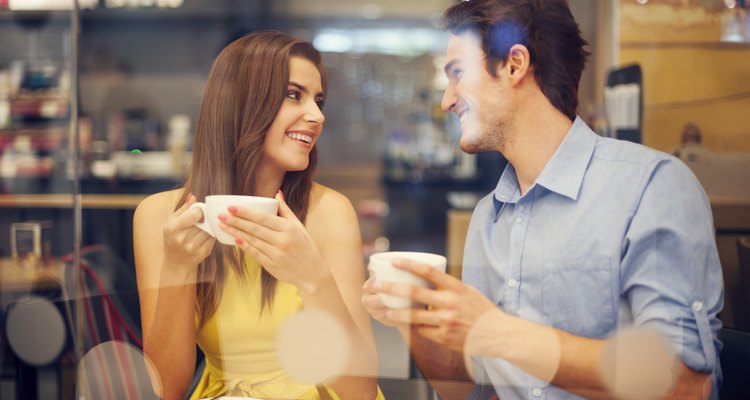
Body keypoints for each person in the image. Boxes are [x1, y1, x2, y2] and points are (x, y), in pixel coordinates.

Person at [362, 1, 724, 399]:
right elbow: (473, 389)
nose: (447, 101)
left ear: (515, 64)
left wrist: (495, 331)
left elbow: (684, 385)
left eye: (458, 73)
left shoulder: (650, 187)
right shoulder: (488, 218)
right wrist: (408, 317)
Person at [134, 32, 380, 400]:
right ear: (240, 104)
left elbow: (359, 391)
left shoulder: (329, 212)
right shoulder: (159, 218)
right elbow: (165, 389)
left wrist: (312, 277)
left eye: (319, 100)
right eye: (293, 95)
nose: (316, 116)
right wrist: (177, 267)